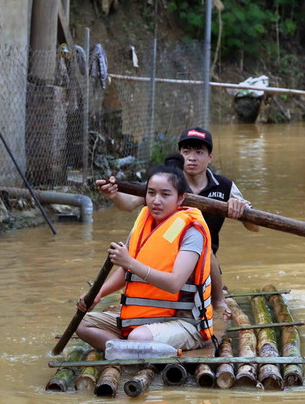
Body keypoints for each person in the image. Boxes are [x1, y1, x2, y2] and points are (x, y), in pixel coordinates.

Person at [95, 126, 258, 314]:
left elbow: (254, 227)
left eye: (199, 152)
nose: (192, 157)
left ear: (210, 157)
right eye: (186, 152)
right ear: (180, 154)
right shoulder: (166, 182)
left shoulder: (225, 186)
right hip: (163, 253)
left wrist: (240, 209)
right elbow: (128, 204)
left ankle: (219, 300)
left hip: (202, 260)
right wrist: (114, 195)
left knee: (205, 248)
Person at [76, 158, 214, 352]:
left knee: (138, 337)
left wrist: (130, 263)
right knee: (82, 323)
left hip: (184, 322)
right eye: (151, 193)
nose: (156, 201)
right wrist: (99, 293)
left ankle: (127, 350)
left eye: (165, 195)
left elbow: (174, 283)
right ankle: (126, 350)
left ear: (180, 198)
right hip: (141, 320)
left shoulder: (191, 230)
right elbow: (127, 271)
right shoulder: (144, 222)